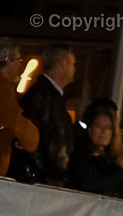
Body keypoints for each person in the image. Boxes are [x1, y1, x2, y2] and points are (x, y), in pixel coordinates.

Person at [10, 43, 76, 186]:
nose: (74, 69)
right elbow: (30, 140)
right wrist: (46, 176)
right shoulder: (43, 96)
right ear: (63, 64)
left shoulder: (49, 97)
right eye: (73, 64)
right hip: (40, 182)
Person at [68, 100, 123, 198]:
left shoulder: (112, 159)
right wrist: (120, 169)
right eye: (98, 126)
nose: (104, 131)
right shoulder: (80, 156)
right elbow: (92, 186)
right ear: (90, 129)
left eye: (108, 128)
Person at [0, 38, 39, 177]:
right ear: (7, 60)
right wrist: (31, 137)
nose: (20, 67)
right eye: (18, 61)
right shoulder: (3, 89)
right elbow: (17, 123)